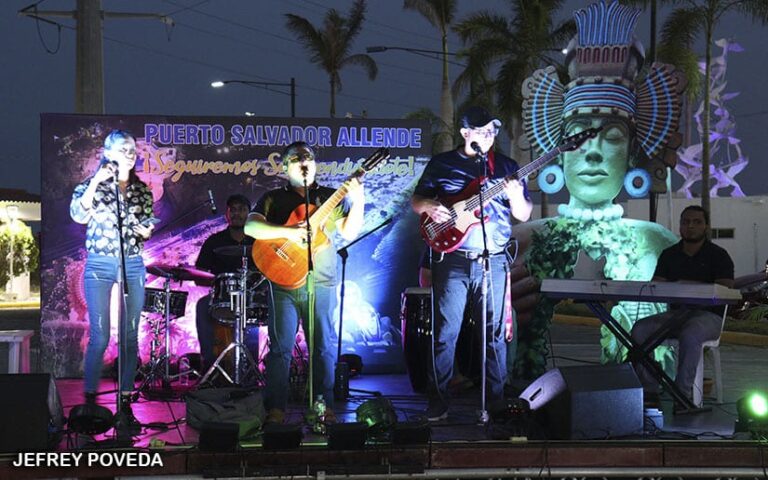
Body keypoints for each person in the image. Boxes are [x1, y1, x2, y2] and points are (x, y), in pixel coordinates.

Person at [508, 0, 686, 381]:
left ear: (632, 154)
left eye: (613, 136)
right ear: (559, 152)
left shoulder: (659, 242)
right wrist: (504, 315)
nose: (592, 152)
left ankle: (633, 388)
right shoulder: (520, 241)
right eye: (577, 136)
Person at [411, 106, 533, 421]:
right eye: (481, 131)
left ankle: (494, 401)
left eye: (492, 131)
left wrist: (515, 194)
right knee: (445, 332)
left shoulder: (506, 167)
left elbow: (523, 214)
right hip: (453, 259)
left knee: (494, 334)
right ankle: (438, 401)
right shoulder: (443, 164)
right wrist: (430, 206)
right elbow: (417, 201)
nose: (488, 136)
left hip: (494, 259)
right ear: (465, 133)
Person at [245, 141, 365, 425]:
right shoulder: (273, 198)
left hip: (321, 280)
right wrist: (289, 232)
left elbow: (349, 232)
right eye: (297, 158)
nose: (304, 162)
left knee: (323, 347)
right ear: (285, 166)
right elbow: (251, 226)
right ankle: (276, 409)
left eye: (308, 157)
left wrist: (358, 198)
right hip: (282, 282)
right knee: (280, 348)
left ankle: (323, 407)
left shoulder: (329, 196)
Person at [69, 130, 155, 426]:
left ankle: (126, 402)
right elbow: (79, 215)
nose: (130, 154)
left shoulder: (142, 190)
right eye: (123, 149)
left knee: (130, 335)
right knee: (101, 335)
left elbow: (147, 225)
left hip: (132, 263)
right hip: (100, 264)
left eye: (132, 149)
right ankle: (90, 402)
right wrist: (97, 180)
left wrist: (146, 230)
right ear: (108, 153)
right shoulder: (90, 185)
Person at [630, 205, 734, 407]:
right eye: (685, 222)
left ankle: (682, 395)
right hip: (675, 316)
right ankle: (649, 390)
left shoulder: (719, 255)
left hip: (708, 317)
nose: (690, 226)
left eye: (696, 222)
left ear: (706, 226)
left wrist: (687, 285)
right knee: (640, 329)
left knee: (691, 333)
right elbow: (657, 285)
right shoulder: (669, 254)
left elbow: (726, 287)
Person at [194, 194, 256, 372]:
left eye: (242, 209)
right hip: (221, 297)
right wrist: (212, 280)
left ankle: (250, 369)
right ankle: (210, 366)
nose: (237, 213)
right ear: (227, 214)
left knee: (261, 308)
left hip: (250, 297)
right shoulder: (214, 241)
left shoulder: (258, 242)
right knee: (202, 305)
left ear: (249, 213)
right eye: (233, 210)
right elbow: (199, 274)